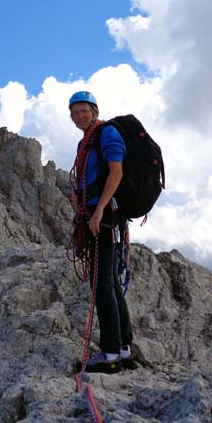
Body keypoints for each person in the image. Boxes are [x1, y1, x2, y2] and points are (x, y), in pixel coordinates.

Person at [69, 90, 134, 374]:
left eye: (84, 111)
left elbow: (116, 172)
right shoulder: (88, 140)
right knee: (109, 282)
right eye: (74, 112)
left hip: (104, 215)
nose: (79, 116)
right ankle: (124, 348)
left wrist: (98, 211)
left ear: (94, 111)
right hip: (99, 214)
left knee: (102, 285)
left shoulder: (106, 133)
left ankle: (109, 355)